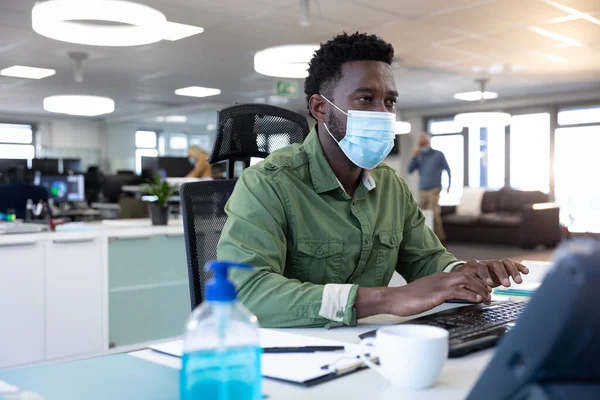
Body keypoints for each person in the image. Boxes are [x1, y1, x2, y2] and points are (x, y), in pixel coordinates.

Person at [217, 32, 528, 328]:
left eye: (389, 101)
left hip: (367, 346)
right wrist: (387, 298)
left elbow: (424, 258)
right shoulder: (267, 183)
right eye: (366, 99)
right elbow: (247, 292)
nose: (382, 113)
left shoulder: (391, 186)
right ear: (320, 107)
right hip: (291, 355)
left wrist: (462, 273)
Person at [408, 133, 451, 243]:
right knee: (422, 216)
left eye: (423, 144)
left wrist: (449, 185)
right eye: (420, 144)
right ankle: (426, 241)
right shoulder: (419, 156)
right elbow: (410, 170)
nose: (422, 146)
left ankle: (441, 240)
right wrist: (414, 157)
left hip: (434, 189)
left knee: (434, 214)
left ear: (428, 143)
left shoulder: (438, 154)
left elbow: (448, 169)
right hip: (422, 189)